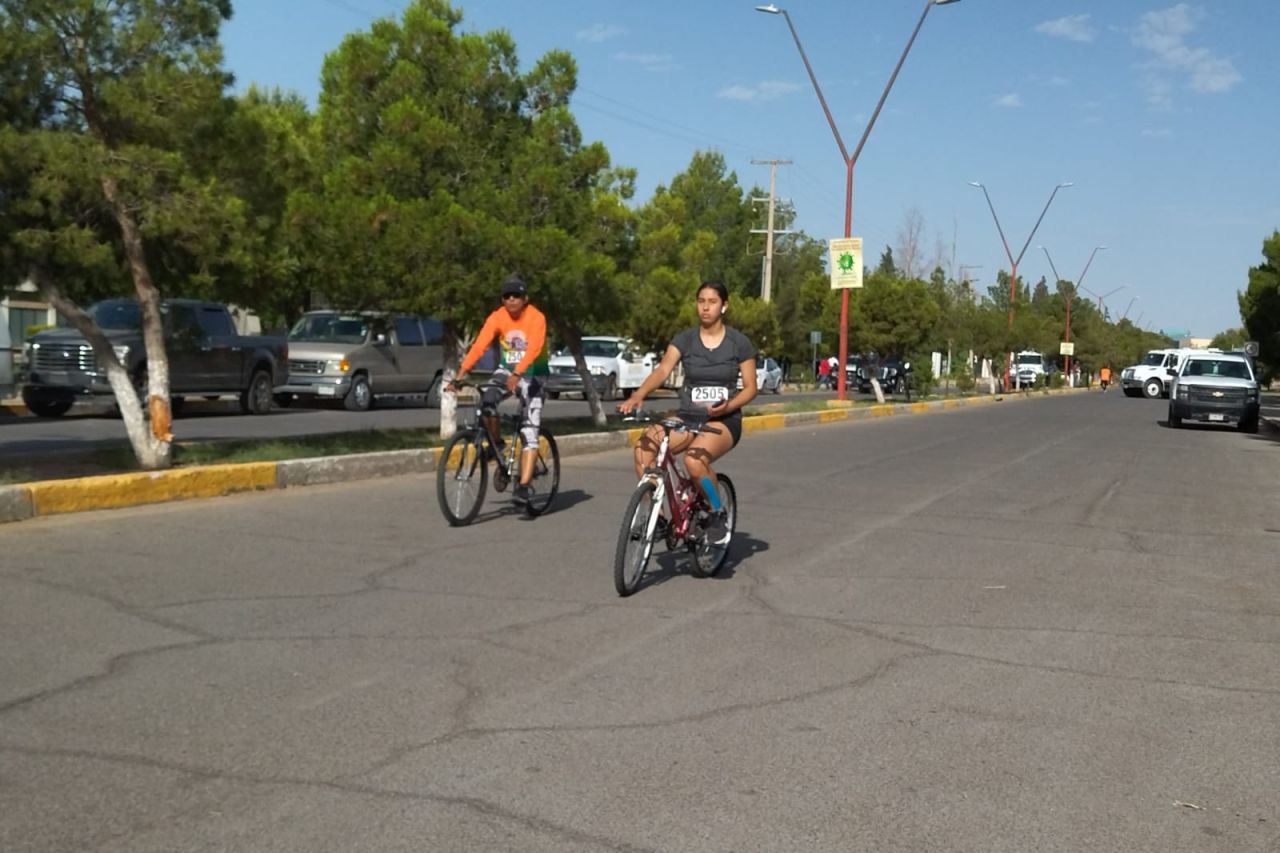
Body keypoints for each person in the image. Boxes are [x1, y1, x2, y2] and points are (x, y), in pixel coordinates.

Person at [617, 281, 757, 546]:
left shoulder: (739, 343)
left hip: (724, 420)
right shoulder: (686, 339)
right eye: (700, 301)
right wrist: (638, 394)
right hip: (688, 416)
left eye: (712, 301)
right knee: (644, 448)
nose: (705, 307)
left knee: (694, 462)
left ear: (724, 306)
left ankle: (716, 511)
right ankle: (657, 518)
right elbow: (662, 370)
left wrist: (727, 406)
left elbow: (751, 388)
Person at [448, 273, 549, 505]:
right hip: (507, 370)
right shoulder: (498, 317)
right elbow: (479, 345)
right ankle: (498, 444)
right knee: (487, 402)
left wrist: (518, 373)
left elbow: (533, 349)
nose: (511, 299)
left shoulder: (536, 318)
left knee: (529, 431)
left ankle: (523, 486)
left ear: (525, 298)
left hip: (535, 373)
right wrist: (460, 375)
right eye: (507, 296)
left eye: (516, 295)